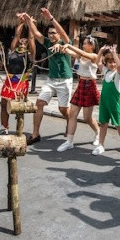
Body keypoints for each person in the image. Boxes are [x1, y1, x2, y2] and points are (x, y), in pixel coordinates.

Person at [24, 8, 73, 145]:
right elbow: (36, 33)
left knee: (63, 109)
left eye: (53, 33)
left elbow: (63, 34)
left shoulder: (65, 43)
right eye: (49, 33)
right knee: (39, 103)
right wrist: (28, 20)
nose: (51, 35)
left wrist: (51, 18)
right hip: (51, 79)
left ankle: (70, 122)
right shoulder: (47, 43)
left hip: (65, 80)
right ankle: (35, 134)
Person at [56, 36, 102, 152]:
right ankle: (69, 142)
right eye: (83, 43)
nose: (83, 45)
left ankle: (98, 132)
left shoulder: (94, 56)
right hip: (81, 84)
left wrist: (69, 45)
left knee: (87, 118)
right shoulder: (80, 55)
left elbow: (82, 53)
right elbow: (69, 52)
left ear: (92, 46)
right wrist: (60, 46)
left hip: (90, 85)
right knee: (73, 115)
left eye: (86, 43)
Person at [0, 13, 35, 135]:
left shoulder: (30, 54)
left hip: (21, 83)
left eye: (25, 41)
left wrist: (30, 24)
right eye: (21, 41)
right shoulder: (12, 51)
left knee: (19, 107)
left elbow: (31, 38)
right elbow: (16, 35)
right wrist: (20, 23)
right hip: (9, 82)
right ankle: (4, 127)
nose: (22, 41)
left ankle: (19, 130)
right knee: (4, 105)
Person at [92, 45, 120, 155]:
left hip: (114, 104)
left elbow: (119, 66)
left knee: (118, 124)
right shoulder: (106, 72)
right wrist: (101, 51)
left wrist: (114, 53)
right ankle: (101, 145)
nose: (112, 64)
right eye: (110, 62)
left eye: (114, 62)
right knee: (103, 123)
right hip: (104, 103)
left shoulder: (118, 75)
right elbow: (97, 62)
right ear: (106, 64)